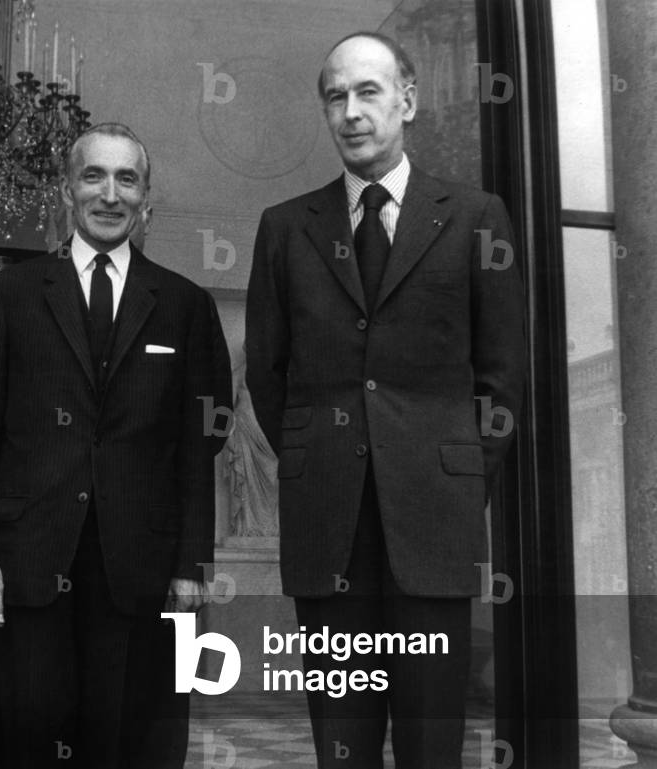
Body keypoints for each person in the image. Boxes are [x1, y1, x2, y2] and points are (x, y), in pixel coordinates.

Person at [245, 32, 526, 769]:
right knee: (342, 744)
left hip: (433, 520)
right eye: (335, 96)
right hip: (326, 518)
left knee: (433, 740)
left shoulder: (473, 216)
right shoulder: (284, 228)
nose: (350, 111)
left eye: (367, 92)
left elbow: (500, 376)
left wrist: (454, 479)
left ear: (407, 98)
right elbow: (267, 374)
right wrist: (317, 460)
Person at [0, 122, 232, 769]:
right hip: (28, 559)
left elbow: (200, 443)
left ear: (146, 198)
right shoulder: (13, 293)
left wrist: (190, 563)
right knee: (31, 737)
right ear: (67, 190)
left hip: (141, 565)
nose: (109, 194)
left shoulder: (185, 305)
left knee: (134, 739)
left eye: (126, 178)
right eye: (93, 176)